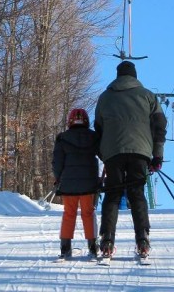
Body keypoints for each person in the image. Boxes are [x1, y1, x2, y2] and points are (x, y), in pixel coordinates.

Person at [94, 60, 167, 258]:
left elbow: (98, 129)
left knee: (112, 195)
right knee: (136, 194)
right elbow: (160, 127)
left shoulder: (105, 97)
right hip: (140, 152)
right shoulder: (148, 96)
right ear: (135, 76)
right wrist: (157, 155)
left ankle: (107, 240)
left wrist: (104, 153)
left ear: (117, 76)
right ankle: (142, 239)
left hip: (113, 153)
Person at [52, 108, 101, 260]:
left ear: (70, 121)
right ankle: (93, 247)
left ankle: (65, 248)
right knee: (88, 213)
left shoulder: (62, 138)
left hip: (68, 183)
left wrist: (58, 178)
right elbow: (103, 155)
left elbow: (57, 162)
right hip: (89, 183)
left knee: (69, 213)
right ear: (86, 120)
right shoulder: (94, 137)